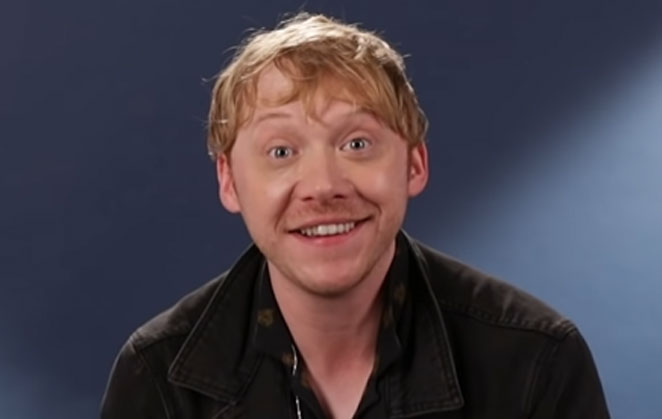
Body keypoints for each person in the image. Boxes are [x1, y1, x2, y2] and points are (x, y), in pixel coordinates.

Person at [100, 12, 610, 419]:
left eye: (357, 144)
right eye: (281, 151)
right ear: (229, 181)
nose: (323, 186)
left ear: (414, 164)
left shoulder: (536, 361)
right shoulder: (158, 376)